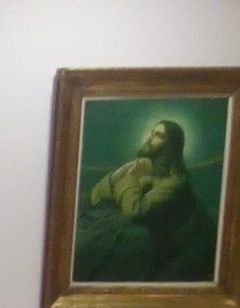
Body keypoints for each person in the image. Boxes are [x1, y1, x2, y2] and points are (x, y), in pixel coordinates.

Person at [72, 119, 218, 284]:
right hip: (147, 234)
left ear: (171, 145)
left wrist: (129, 178)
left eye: (158, 135)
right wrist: (116, 176)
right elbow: (95, 196)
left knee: (124, 239)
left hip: (173, 250)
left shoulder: (175, 181)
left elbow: (135, 210)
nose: (150, 138)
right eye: (152, 133)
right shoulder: (148, 169)